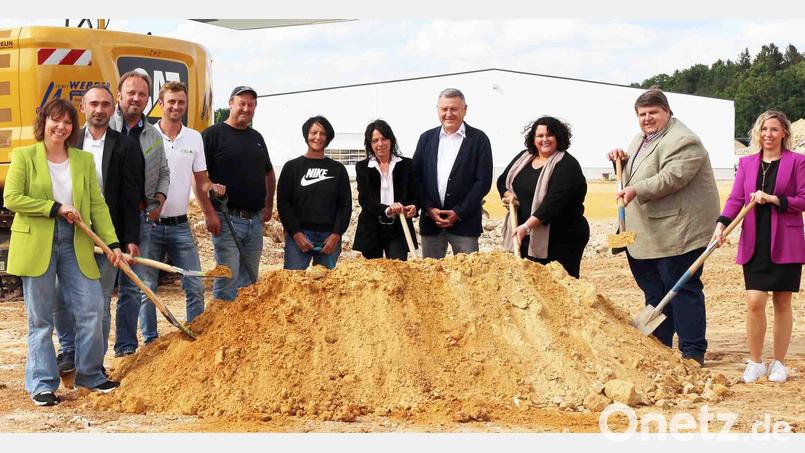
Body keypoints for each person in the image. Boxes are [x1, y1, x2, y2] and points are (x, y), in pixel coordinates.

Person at [3, 98, 123, 406]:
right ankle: (43, 384)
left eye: (68, 122)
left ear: (73, 127)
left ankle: (90, 375)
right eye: (55, 120)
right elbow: (12, 198)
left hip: (76, 241)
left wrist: (112, 244)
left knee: (91, 309)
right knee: (41, 320)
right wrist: (53, 208)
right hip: (37, 241)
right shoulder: (25, 156)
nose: (61, 126)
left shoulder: (82, 160)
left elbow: (97, 204)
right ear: (43, 122)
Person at [607, 87, 720, 366]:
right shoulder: (640, 139)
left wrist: (636, 189)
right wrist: (620, 160)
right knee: (656, 294)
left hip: (678, 233)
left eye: (653, 113)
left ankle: (692, 352)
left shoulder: (684, 140)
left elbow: (671, 177)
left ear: (667, 112)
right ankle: (661, 348)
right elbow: (635, 171)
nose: (647, 118)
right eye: (642, 114)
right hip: (647, 235)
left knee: (682, 290)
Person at [52, 85, 144, 375]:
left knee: (100, 301)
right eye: (94, 104)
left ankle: (93, 364)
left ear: (112, 108)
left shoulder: (126, 145)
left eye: (105, 104)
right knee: (60, 296)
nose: (100, 109)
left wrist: (129, 239)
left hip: (108, 236)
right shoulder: (67, 141)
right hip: (70, 232)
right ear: (83, 108)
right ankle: (69, 352)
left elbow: (132, 195)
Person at [711, 110, 805, 383]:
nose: (768, 135)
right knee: (755, 301)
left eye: (774, 130)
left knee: (782, 301)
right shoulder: (748, 163)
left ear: (784, 133)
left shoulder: (797, 162)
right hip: (755, 241)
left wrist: (774, 199)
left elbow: (802, 199)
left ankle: (779, 362)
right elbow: (736, 198)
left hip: (786, 241)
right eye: (764, 129)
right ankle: (755, 362)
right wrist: (721, 224)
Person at [138, 81, 226, 343]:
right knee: (147, 289)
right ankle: (150, 342)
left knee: (194, 285)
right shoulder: (147, 137)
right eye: (171, 102)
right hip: (150, 225)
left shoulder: (194, 138)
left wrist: (212, 192)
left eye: (181, 102)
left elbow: (201, 180)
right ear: (161, 104)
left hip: (180, 225)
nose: (176, 107)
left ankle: (194, 338)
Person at [108, 69, 171, 357]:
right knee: (98, 289)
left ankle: (125, 349)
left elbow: (163, 171)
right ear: (119, 95)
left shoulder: (153, 135)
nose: (136, 98)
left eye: (142, 94)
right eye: (130, 92)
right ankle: (88, 356)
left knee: (133, 286)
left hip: (140, 218)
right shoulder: (103, 127)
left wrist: (159, 198)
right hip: (105, 218)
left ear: (148, 100)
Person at [202, 86, 275, 300]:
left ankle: (243, 331)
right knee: (227, 279)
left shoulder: (257, 137)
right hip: (227, 218)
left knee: (250, 282)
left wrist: (268, 205)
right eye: (241, 103)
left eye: (251, 105)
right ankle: (221, 330)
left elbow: (269, 173)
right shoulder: (212, 135)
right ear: (230, 104)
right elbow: (198, 175)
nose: (246, 108)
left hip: (254, 221)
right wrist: (210, 195)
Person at [497, 116, 589, 278]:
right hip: (525, 233)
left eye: (549, 135)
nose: (544, 139)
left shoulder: (567, 165)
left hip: (561, 238)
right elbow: (502, 180)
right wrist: (508, 194)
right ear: (533, 139)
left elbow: (552, 205)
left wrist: (526, 227)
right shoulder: (523, 158)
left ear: (558, 138)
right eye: (540, 136)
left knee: (559, 286)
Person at [412, 88, 493, 259]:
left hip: (465, 224)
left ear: (465, 109)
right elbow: (416, 177)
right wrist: (428, 207)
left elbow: (483, 182)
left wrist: (459, 212)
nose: (449, 114)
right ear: (438, 110)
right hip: (431, 223)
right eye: (444, 109)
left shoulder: (479, 140)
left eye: (454, 109)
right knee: (431, 278)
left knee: (468, 278)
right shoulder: (426, 139)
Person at [277, 116, 351, 270]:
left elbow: (345, 206)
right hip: (298, 237)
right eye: (313, 132)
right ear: (306, 135)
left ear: (328, 137)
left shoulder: (338, 169)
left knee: (325, 287)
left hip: (329, 238)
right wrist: (296, 233)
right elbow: (284, 204)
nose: (318, 137)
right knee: (293, 285)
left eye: (322, 133)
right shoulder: (291, 167)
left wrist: (336, 235)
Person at [353, 119, 419, 260]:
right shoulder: (363, 167)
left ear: (391, 140)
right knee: (373, 276)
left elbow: (415, 194)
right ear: (370, 144)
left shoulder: (407, 165)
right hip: (371, 228)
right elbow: (365, 199)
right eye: (375, 140)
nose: (380, 144)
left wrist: (414, 207)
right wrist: (387, 209)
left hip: (399, 227)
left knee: (398, 271)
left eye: (384, 139)